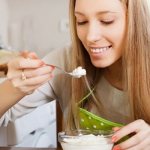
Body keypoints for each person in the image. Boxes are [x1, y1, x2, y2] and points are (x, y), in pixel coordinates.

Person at [0, 0, 150, 149]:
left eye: (106, 21)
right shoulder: (66, 61)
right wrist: (12, 87)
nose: (90, 37)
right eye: (82, 21)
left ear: (135, 21)